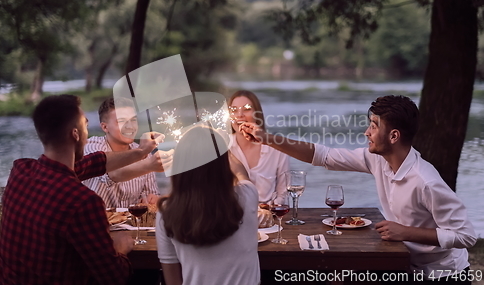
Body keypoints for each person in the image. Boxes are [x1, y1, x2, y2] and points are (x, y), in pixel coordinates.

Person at [240, 95, 476, 283]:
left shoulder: (426, 180)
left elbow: (466, 236)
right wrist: (266, 138)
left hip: (443, 275)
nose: (366, 133)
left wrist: (405, 232)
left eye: (373, 126)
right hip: (404, 265)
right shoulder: (377, 160)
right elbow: (323, 156)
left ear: (393, 136)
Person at [0, 94, 163, 285]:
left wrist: (141, 152)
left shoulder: (20, 169)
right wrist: (121, 248)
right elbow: (115, 276)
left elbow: (96, 163)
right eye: (85, 124)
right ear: (76, 134)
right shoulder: (82, 202)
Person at [156, 125, 260, 285]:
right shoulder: (247, 195)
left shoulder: (166, 212)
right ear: (223, 165)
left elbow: (172, 280)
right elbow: (240, 172)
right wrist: (221, 146)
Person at [83, 97, 173, 208]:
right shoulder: (92, 146)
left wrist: (152, 199)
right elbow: (111, 175)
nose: (130, 126)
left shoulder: (145, 154)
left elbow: (152, 194)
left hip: (131, 224)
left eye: (133, 120)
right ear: (105, 127)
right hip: (96, 222)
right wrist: (146, 159)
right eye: (121, 121)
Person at [228, 90, 289, 204]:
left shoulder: (277, 148)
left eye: (246, 109)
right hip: (233, 217)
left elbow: (283, 193)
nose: (239, 115)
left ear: (257, 114)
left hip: (269, 216)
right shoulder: (221, 148)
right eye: (234, 110)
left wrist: (270, 209)